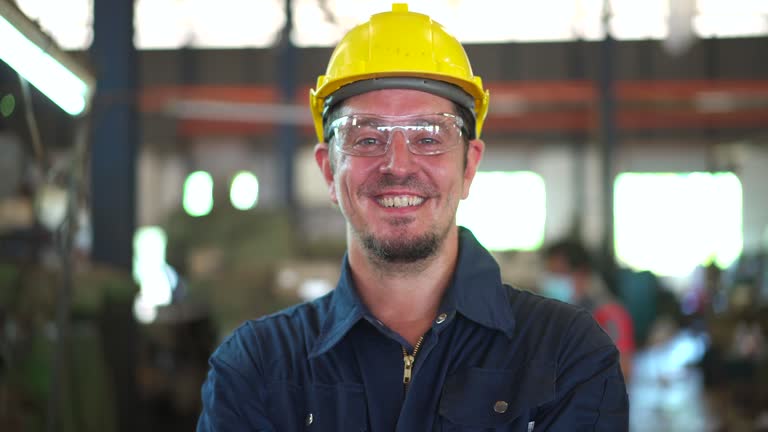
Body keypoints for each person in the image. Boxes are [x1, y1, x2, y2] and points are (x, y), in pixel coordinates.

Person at [197, 4, 629, 430]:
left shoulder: (566, 354)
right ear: (329, 170)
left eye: (428, 136)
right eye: (366, 138)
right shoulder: (256, 368)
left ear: (469, 167)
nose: (398, 165)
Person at [541, 239, 636, 380]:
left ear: (581, 274)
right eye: (550, 274)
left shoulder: (609, 313)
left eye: (559, 274)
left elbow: (624, 369)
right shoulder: (553, 312)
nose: (553, 282)